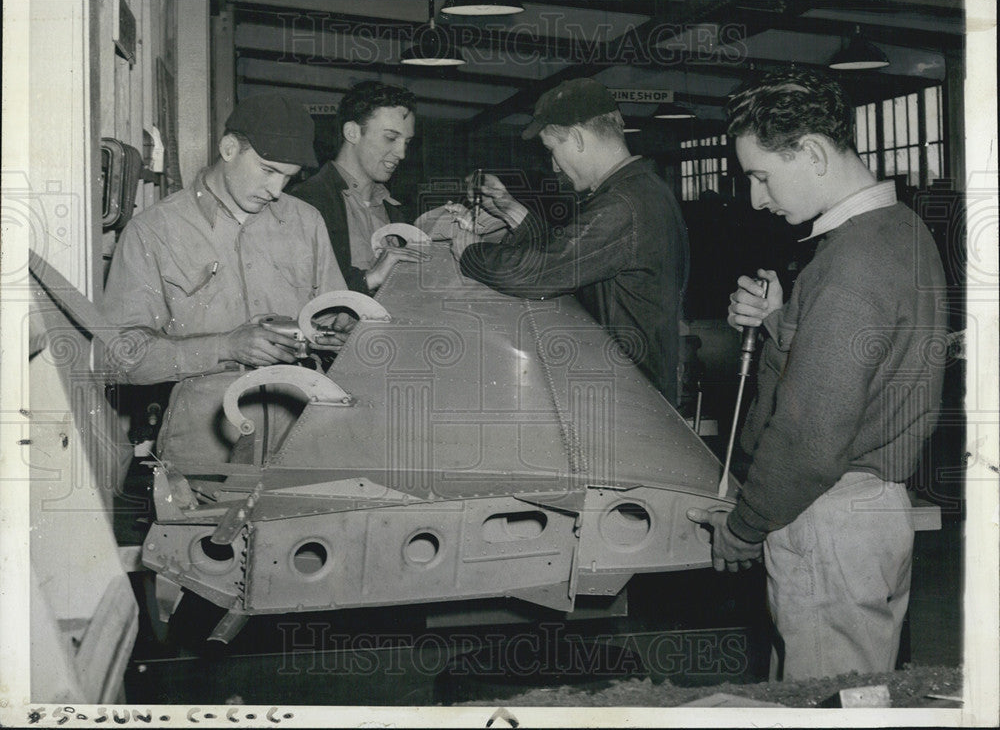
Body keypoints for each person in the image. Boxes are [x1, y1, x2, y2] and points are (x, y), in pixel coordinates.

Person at [687, 69, 947, 680]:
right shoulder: (899, 231)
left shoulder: (848, 265)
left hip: (827, 516)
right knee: (851, 688)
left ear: (810, 152)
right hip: (872, 512)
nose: (755, 198)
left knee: (823, 700)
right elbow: (877, 361)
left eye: (760, 175)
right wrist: (785, 320)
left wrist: (745, 527)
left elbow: (809, 437)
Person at [103, 94, 349, 464]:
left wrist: (342, 332)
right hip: (205, 450)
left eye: (288, 176)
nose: (276, 191)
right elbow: (120, 357)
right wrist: (225, 347)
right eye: (268, 170)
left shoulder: (307, 222)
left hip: (302, 439)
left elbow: (335, 318)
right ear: (229, 148)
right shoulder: (154, 231)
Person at [449, 78, 689, 405]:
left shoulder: (624, 206)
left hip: (637, 395)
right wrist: (511, 208)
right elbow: (572, 253)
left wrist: (470, 252)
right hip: (633, 380)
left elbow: (543, 269)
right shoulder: (637, 190)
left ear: (576, 138)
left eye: (552, 150)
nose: (553, 165)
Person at [291, 81, 426, 294]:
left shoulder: (394, 208)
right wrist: (369, 279)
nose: (401, 153)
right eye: (390, 138)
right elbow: (297, 289)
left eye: (406, 142)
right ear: (352, 132)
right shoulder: (304, 202)